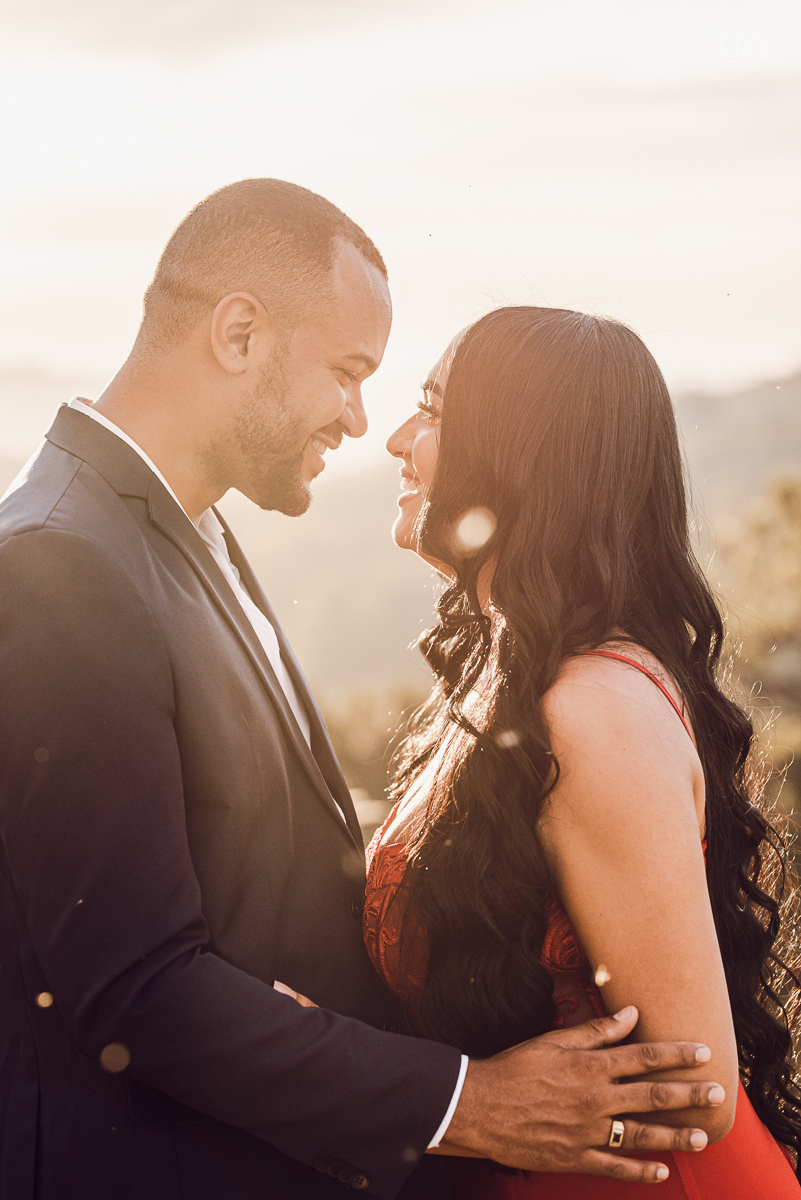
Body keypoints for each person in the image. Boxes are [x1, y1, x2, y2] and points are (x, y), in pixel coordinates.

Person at [0, 183, 723, 1200]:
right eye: (347, 373)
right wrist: (467, 1103)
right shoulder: (62, 560)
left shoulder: (187, 533)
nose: (360, 418)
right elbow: (137, 984)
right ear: (239, 334)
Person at [369, 305, 801, 1197]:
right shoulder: (524, 683)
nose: (398, 440)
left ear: (519, 458)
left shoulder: (590, 712)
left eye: (434, 410)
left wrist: (448, 1105)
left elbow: (695, 1091)